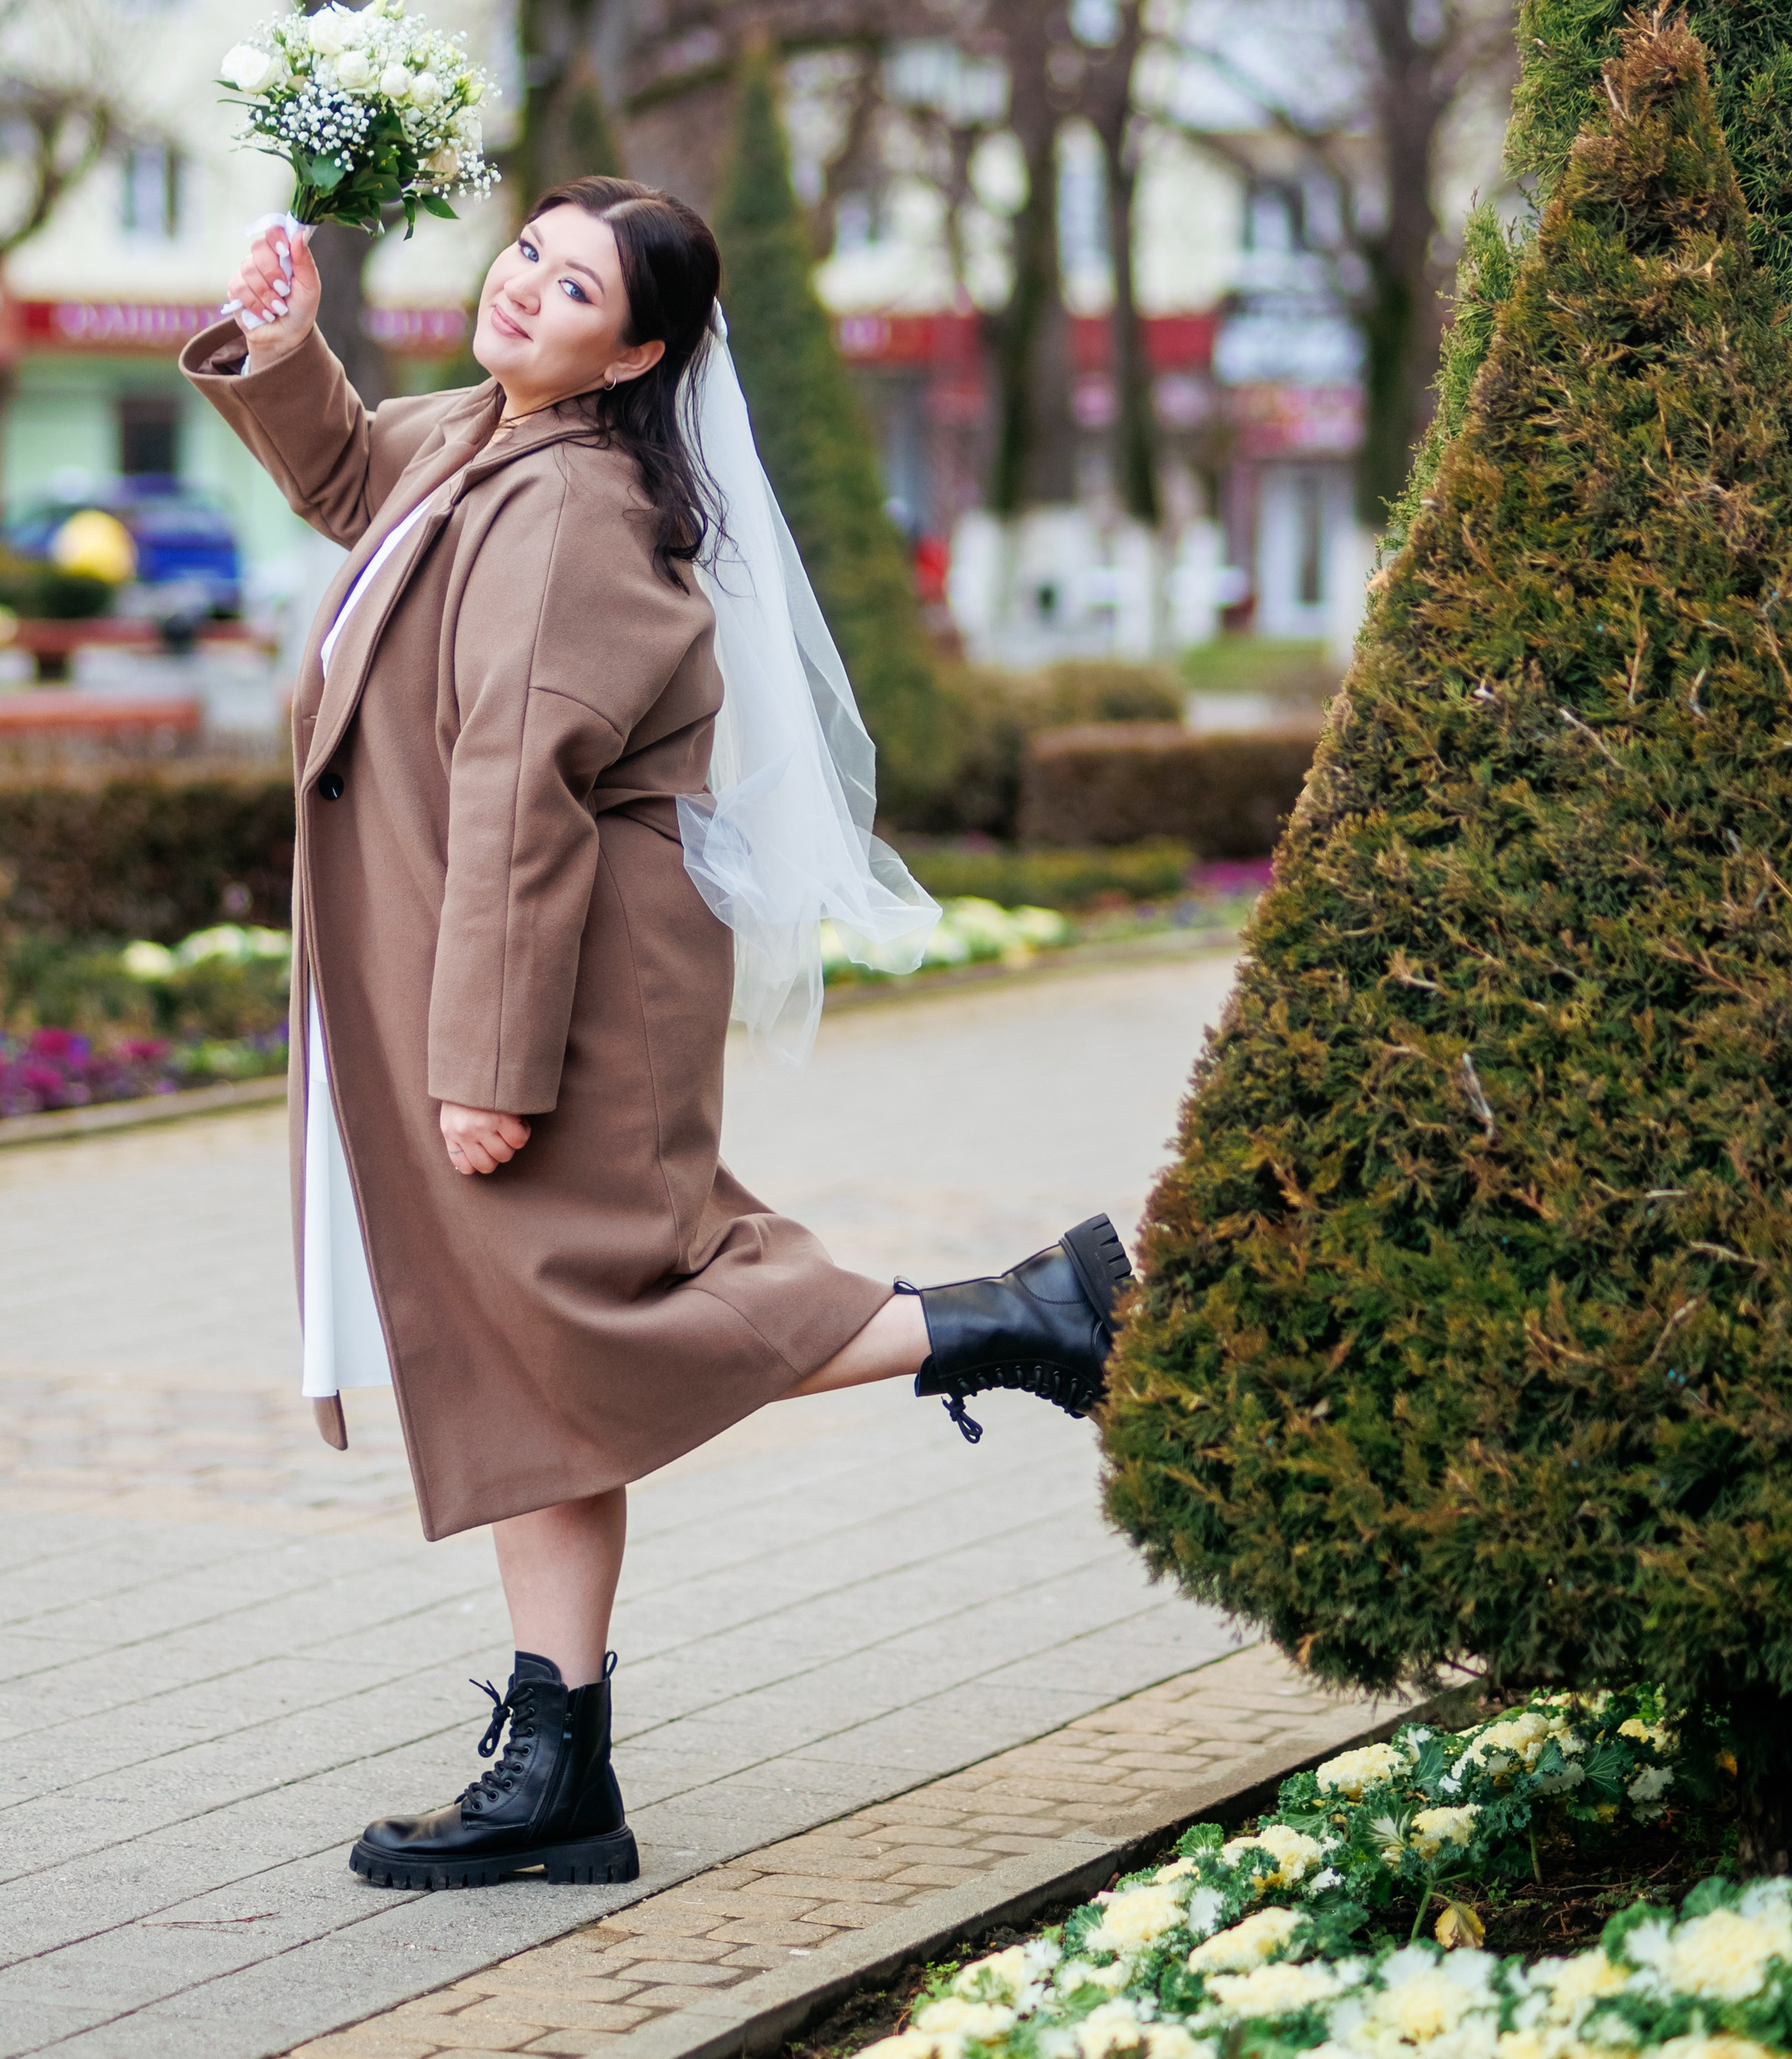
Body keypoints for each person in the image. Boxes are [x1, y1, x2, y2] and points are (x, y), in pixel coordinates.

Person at [185, 178, 1132, 1897]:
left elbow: (519, 795)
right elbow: (348, 481)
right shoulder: (484, 436)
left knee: (602, 1313)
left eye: (574, 286)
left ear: (639, 351)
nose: (526, 288)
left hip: (550, 983)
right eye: (527, 252)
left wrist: (486, 1059)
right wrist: (280, 343)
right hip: (499, 971)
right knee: (525, 1362)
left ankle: (1009, 1314)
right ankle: (560, 1772)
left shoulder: (569, 510)